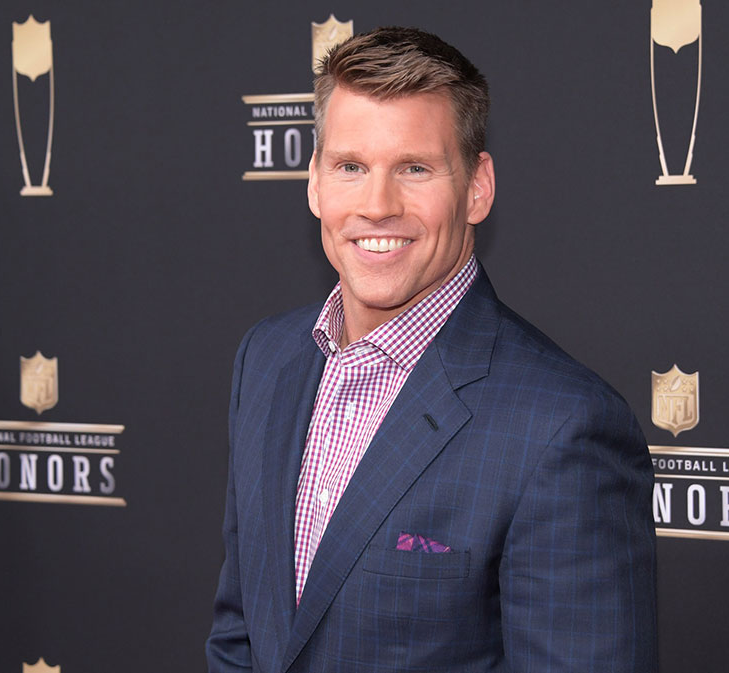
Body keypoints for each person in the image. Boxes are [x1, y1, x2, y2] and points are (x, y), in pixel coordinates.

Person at [207, 26, 658, 672]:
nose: (377, 205)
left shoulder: (563, 428)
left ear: (477, 187)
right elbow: (240, 637)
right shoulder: (266, 361)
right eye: (351, 167)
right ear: (314, 182)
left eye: (414, 168)